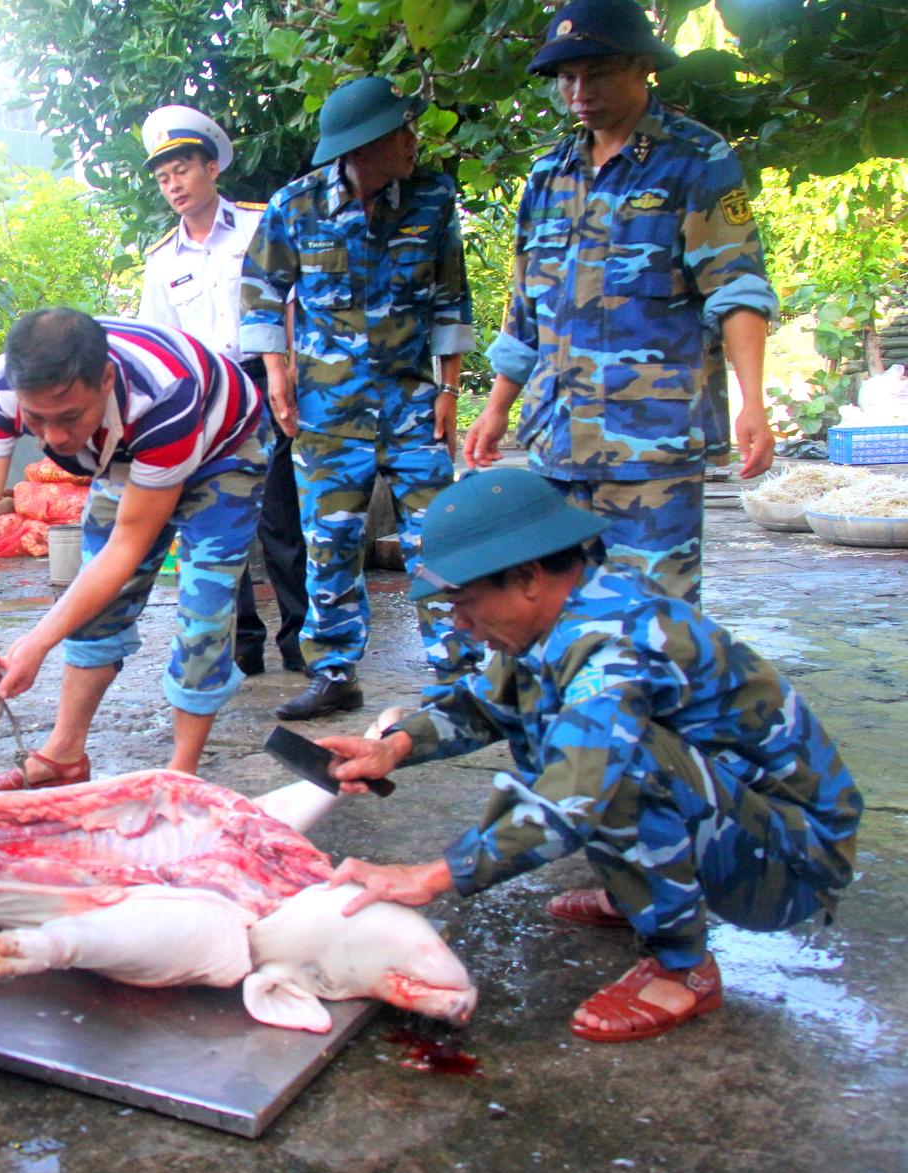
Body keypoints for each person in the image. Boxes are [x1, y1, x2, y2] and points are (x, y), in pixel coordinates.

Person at [314, 468, 861, 1042]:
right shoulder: (562, 616)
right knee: (569, 732)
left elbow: (574, 794)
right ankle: (643, 895)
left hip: (793, 862)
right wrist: (391, 748)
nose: (462, 625)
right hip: (743, 822)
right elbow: (487, 702)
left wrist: (433, 875)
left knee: (616, 768)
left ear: (527, 576)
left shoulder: (611, 640)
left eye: (466, 603)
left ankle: (684, 969)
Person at [462, 0, 779, 604]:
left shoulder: (695, 159)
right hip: (557, 445)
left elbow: (735, 287)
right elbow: (527, 307)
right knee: (560, 614)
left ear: (640, 68)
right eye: (566, 78)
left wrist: (753, 403)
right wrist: (497, 406)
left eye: (597, 73)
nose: (579, 92)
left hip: (650, 447)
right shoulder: (548, 175)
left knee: (656, 622)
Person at [0, 307, 265, 788]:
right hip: (128, 456)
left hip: (223, 449)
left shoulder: (163, 394)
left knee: (204, 612)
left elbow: (127, 547)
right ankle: (63, 753)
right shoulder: (0, 386)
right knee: (92, 601)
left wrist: (38, 641)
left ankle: (182, 777)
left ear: (105, 379)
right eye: (37, 421)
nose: (56, 439)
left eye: (69, 418)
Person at [241, 75, 479, 721]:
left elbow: (451, 299)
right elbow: (262, 290)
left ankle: (458, 675)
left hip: (409, 401)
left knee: (441, 536)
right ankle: (336, 671)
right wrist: (278, 374)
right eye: (400, 131)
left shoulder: (431, 199)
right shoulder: (295, 206)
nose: (412, 141)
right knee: (330, 540)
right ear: (363, 145)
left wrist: (450, 386)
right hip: (327, 409)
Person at [137, 104, 309, 676]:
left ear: (211, 167)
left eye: (182, 170)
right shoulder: (161, 260)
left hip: (266, 378)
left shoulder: (260, 226)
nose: (173, 185)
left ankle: (298, 637)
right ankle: (243, 643)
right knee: (217, 515)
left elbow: (289, 304)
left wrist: (287, 373)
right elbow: (161, 342)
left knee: (279, 516)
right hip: (208, 396)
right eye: (163, 178)